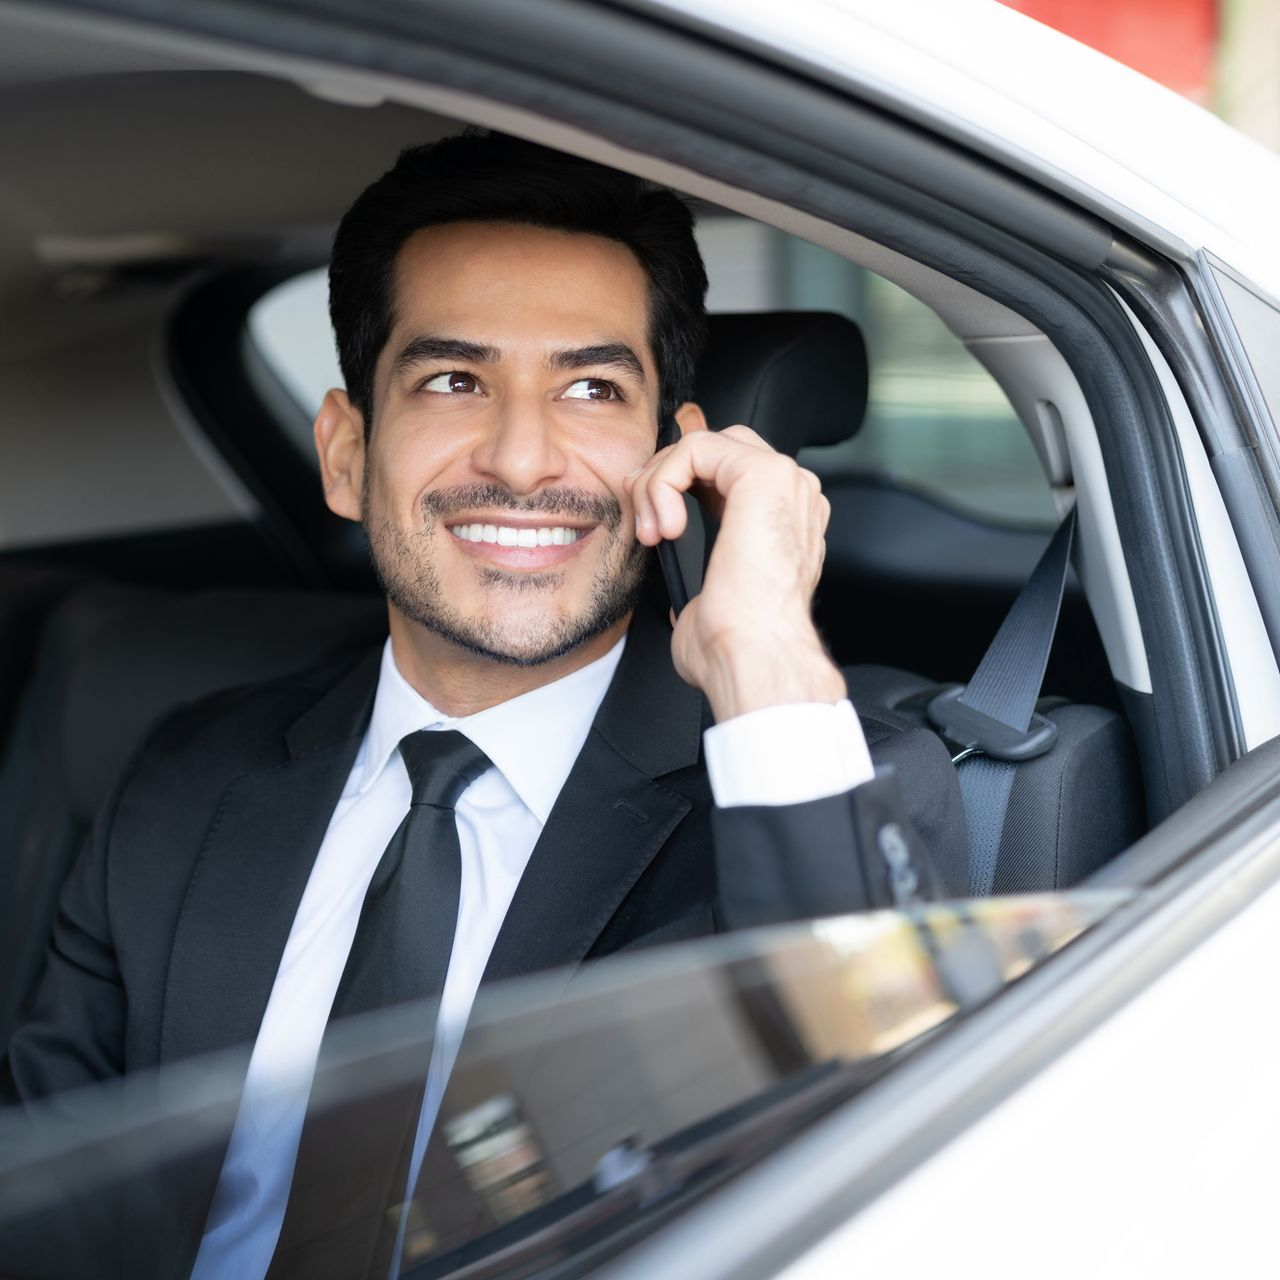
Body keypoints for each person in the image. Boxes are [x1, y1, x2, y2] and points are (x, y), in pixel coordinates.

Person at [1, 131, 964, 1277]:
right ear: (348, 453)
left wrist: (757, 647)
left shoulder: (808, 791)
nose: (520, 457)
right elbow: (44, 1200)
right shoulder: (188, 770)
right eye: (455, 379)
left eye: (591, 387)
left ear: (675, 458)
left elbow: (878, 1182)